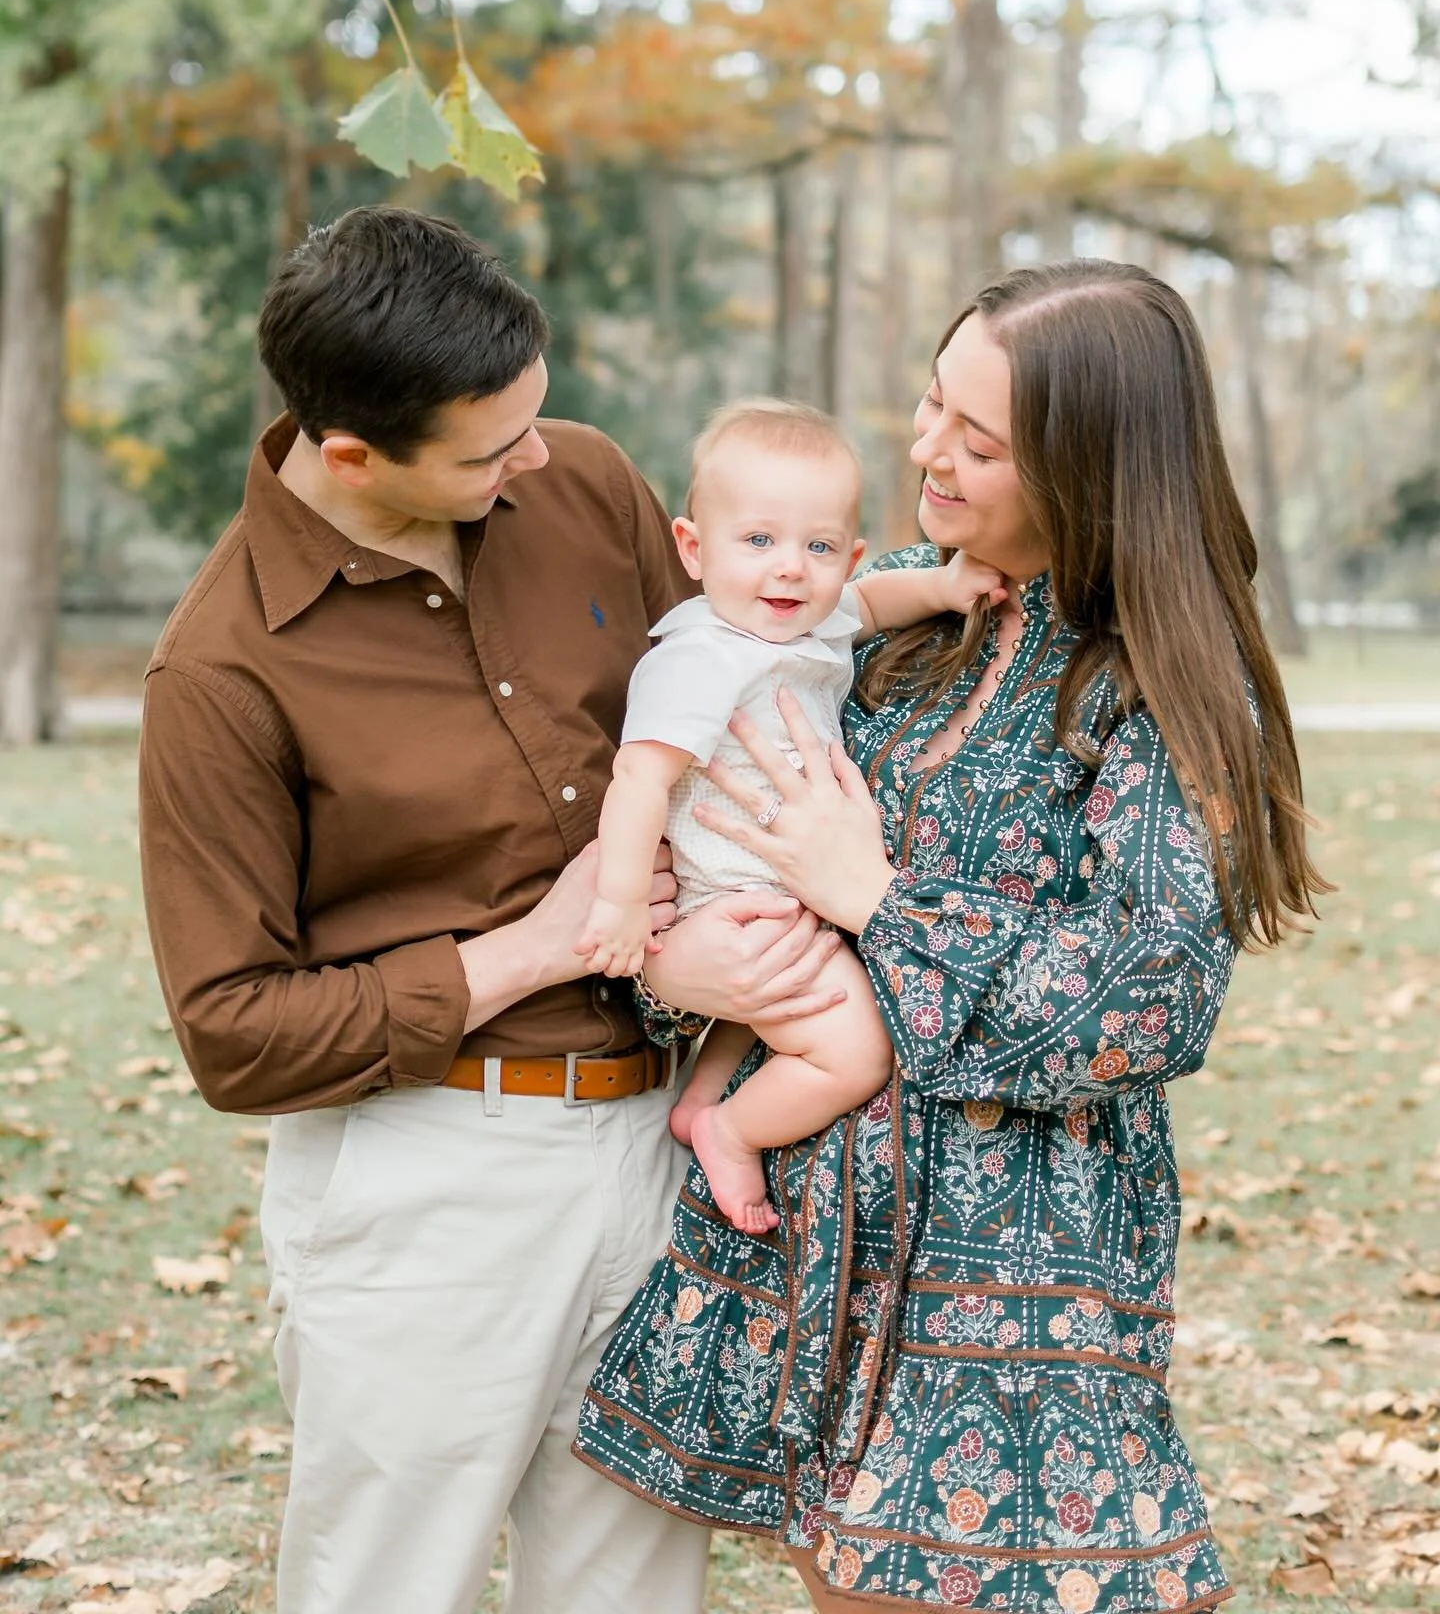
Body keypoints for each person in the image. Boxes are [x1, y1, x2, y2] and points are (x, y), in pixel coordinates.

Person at [575, 261, 1326, 1613]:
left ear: (1091, 467)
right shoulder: (891, 622)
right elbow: (707, 829)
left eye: (978, 441)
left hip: (1017, 1284)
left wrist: (876, 898)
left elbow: (1144, 1001)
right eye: (933, 405)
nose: (925, 450)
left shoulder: (1154, 683)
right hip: (818, 1249)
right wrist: (683, 971)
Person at [136, 206, 849, 1614]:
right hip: (425, 1183)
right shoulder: (220, 673)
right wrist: (531, 944)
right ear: (351, 453)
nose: (535, 453)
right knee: (390, 1589)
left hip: (656, 1144)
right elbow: (233, 1037)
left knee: (630, 1591)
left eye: (534, 416)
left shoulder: (579, 481)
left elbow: (742, 677)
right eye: (488, 446)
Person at [580, 399, 1006, 1235]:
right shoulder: (701, 657)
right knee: (854, 1051)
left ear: (844, 557)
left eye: (817, 548)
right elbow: (636, 776)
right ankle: (729, 1129)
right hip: (736, 900)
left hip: (792, 889)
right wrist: (621, 900)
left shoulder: (814, 618)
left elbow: (876, 603)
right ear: (693, 549)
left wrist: (949, 585)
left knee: (764, 1016)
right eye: (758, 541)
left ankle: (702, 1097)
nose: (788, 570)